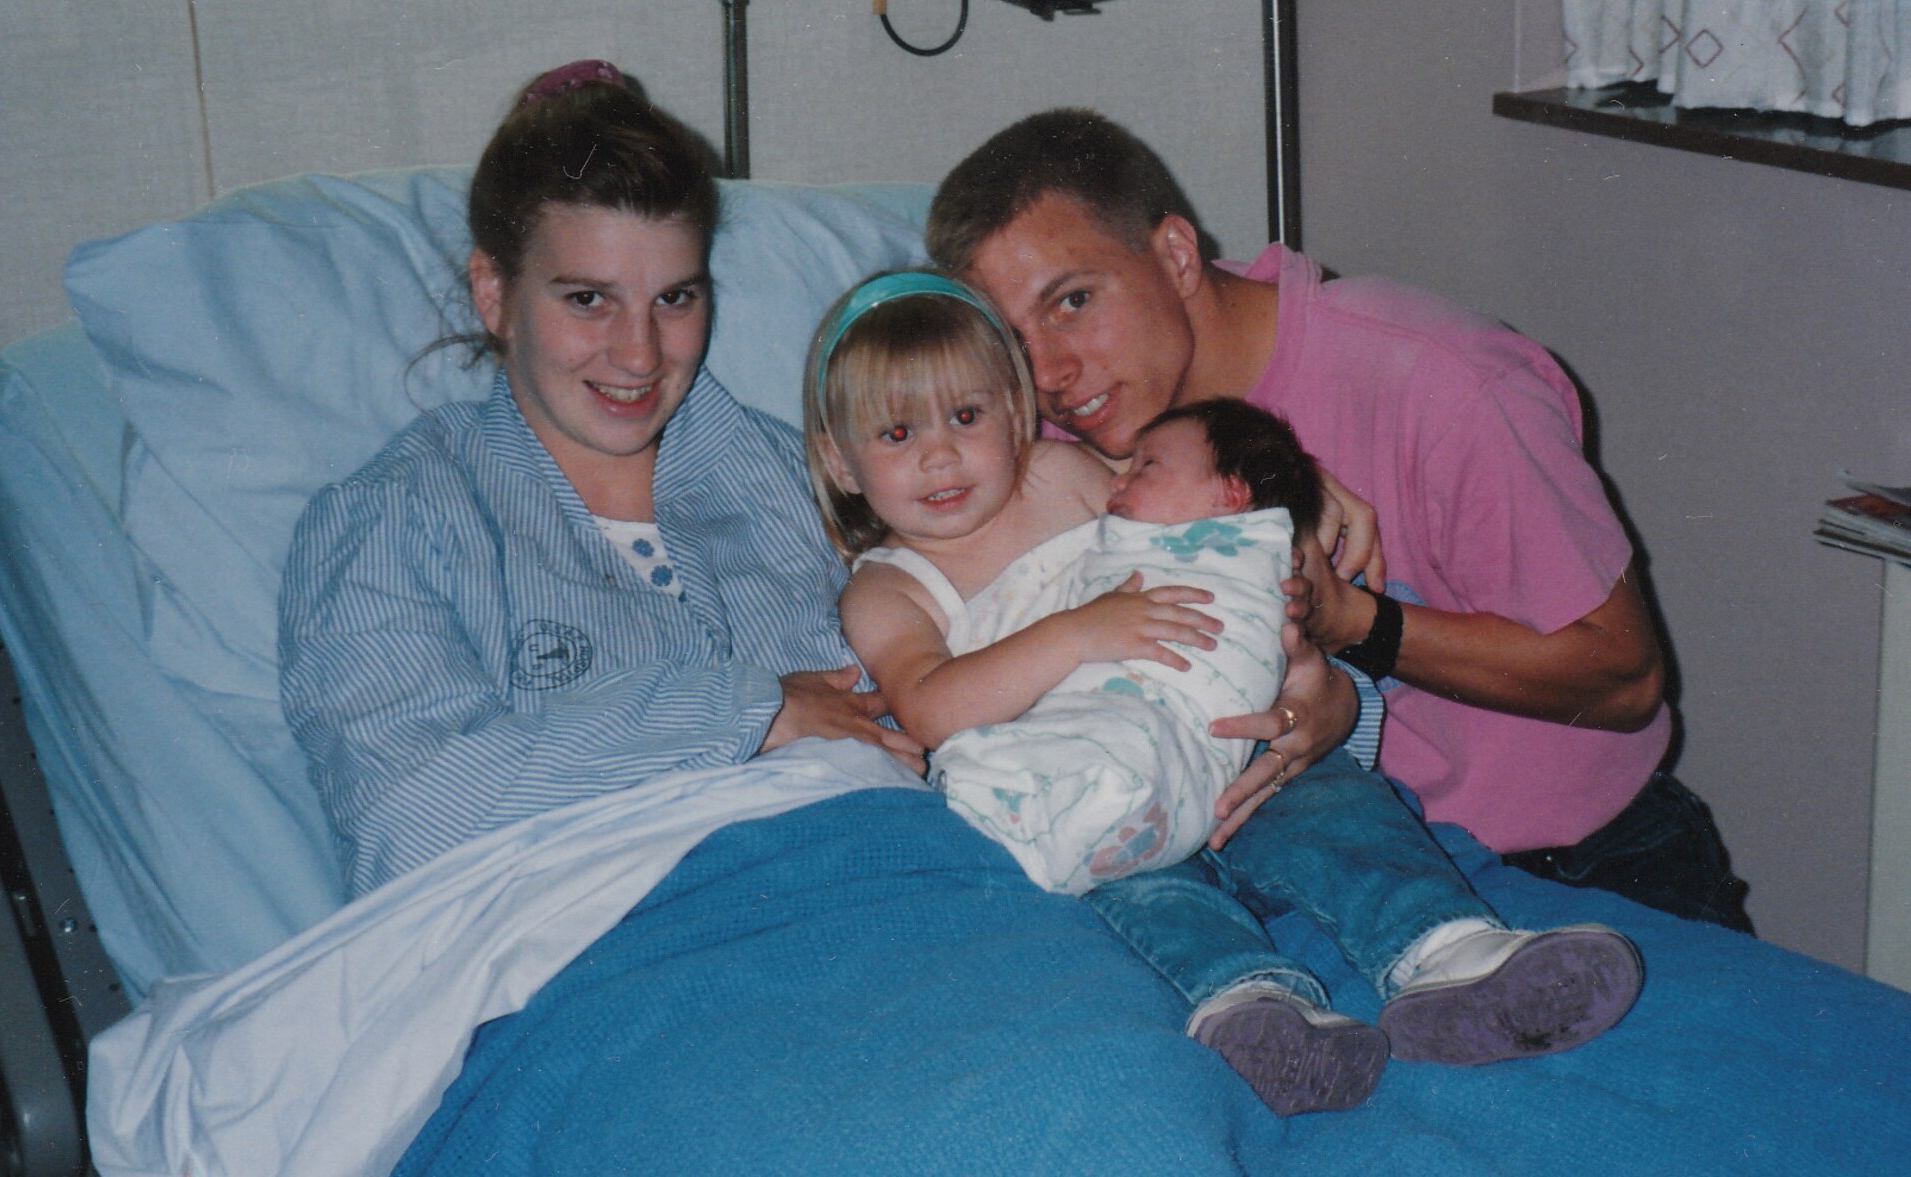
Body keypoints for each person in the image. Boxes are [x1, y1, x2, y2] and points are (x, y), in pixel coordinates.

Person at [808, 273, 1644, 1118]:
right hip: (1094, 796)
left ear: (1017, 415)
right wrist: (1080, 630)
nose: (940, 455)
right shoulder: (887, 588)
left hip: (1222, 738)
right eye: (896, 432)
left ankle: (1452, 949)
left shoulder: (1064, 475)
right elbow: (931, 707)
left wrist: (1304, 560)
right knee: (1143, 893)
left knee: (1337, 803)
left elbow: (1205, 508)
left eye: (967, 417)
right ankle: (1253, 1009)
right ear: (842, 460)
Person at [925, 108, 1753, 933]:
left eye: (1072, 301)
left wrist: (1357, 623)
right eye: (1010, 339)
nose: (1050, 377)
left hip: (1577, 860)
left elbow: (1626, 679)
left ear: (1175, 255)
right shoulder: (1072, 434)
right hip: (1323, 862)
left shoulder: (1446, 386)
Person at [278, 60, 920, 897]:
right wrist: (741, 713)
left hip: (902, 892)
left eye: (675, 298)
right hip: (615, 962)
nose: (640, 354)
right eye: (588, 300)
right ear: (494, 292)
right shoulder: (395, 521)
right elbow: (411, 821)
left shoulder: (814, 477)